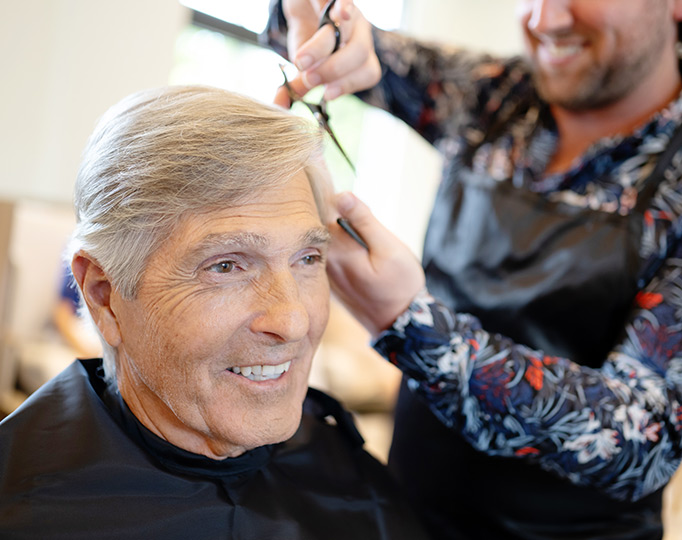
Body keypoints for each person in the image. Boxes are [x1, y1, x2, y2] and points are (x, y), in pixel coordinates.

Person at [262, 1, 682, 538]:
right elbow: (323, 34)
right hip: (405, 515)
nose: (544, 19)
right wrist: (320, 25)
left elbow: (641, 437)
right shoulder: (493, 97)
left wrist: (406, 323)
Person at [0, 85, 429, 540]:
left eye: (307, 259)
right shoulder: (25, 511)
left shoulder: (352, 478)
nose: (293, 322)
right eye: (226, 265)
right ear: (104, 296)